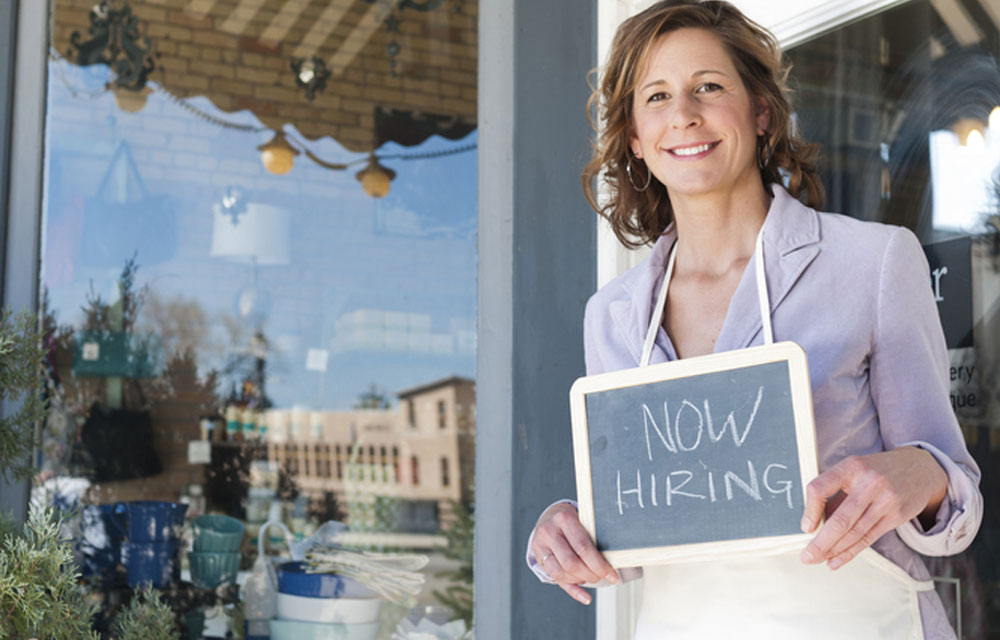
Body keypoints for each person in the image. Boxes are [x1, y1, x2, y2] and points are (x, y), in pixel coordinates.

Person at [525, 1, 983, 638]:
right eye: (655, 96)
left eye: (708, 87)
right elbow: (635, 526)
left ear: (760, 110)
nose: (683, 114)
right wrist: (568, 531)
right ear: (634, 135)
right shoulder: (613, 317)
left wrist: (922, 473)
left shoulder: (872, 262)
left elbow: (956, 491)